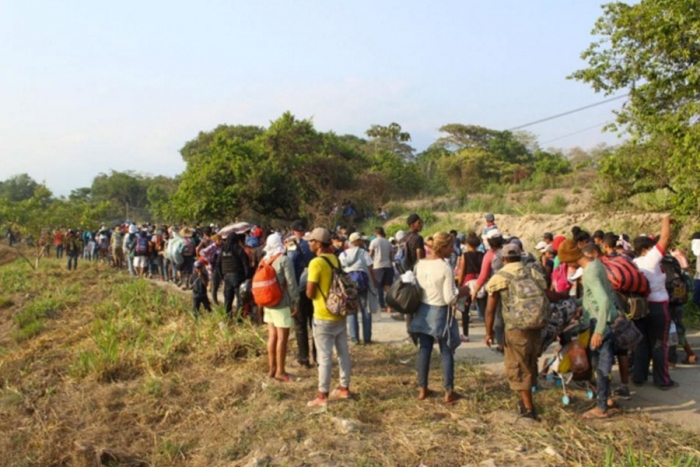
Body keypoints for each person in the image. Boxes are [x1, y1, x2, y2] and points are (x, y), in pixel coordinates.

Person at [485, 243, 548, 420]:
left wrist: (488, 332)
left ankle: (528, 408)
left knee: (518, 366)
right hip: (536, 324)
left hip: (515, 328)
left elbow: (490, 310)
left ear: (504, 259)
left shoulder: (500, 277)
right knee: (530, 359)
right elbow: (546, 292)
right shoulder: (533, 272)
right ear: (520, 256)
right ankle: (528, 396)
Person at [558, 239, 618, 418]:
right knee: (597, 364)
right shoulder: (595, 264)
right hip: (601, 319)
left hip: (602, 323)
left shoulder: (590, 273)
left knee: (601, 367)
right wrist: (573, 304)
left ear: (570, 259)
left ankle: (601, 408)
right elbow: (593, 297)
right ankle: (605, 399)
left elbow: (604, 301)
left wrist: (599, 331)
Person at [410, 232, 468, 404]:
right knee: (446, 351)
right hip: (441, 312)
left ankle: (422, 389)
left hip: (422, 310)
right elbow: (449, 298)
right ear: (443, 248)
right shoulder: (445, 267)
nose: (453, 250)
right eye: (450, 247)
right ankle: (449, 391)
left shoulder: (419, 264)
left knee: (424, 349)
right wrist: (463, 291)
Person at [305, 227, 352, 407]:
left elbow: (310, 293)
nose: (309, 243)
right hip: (339, 313)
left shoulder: (316, 263)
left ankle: (322, 395)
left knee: (324, 357)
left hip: (323, 315)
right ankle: (344, 388)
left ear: (318, 244)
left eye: (311, 241)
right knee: (343, 353)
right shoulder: (334, 259)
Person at [632, 216, 677, 389]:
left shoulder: (634, 263)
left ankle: (639, 377)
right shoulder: (650, 260)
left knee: (642, 343)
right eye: (651, 247)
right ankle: (662, 380)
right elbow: (665, 239)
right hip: (658, 306)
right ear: (644, 250)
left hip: (640, 307)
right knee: (660, 344)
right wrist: (666, 221)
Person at [261, 233, 299, 382]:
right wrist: (296, 301)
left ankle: (272, 369)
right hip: (282, 304)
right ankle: (281, 372)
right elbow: (291, 283)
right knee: (282, 339)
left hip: (268, 304)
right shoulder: (284, 260)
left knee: (272, 337)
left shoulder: (265, 259)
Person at [287, 220, 317, 368]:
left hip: (300, 289)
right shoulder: (312, 243)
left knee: (300, 325)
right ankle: (318, 357)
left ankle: (304, 358)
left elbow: (291, 267)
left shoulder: (292, 246)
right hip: (314, 288)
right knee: (315, 324)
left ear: (293, 231)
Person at [472, 229, 506, 352]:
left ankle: (501, 344)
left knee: (496, 315)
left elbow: (483, 275)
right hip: (512, 287)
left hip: (496, 289)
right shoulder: (508, 251)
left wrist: (475, 290)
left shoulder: (490, 255)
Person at [340, 232, 375, 344]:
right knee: (365, 310)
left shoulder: (343, 254)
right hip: (362, 284)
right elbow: (370, 268)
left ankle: (354, 338)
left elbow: (340, 271)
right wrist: (372, 282)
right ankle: (367, 338)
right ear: (356, 241)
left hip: (349, 285)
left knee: (351, 310)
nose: (362, 242)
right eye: (360, 240)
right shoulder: (364, 252)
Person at [455, 232, 485, 341]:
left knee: (465, 309)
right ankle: (489, 333)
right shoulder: (482, 254)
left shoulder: (465, 255)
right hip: (480, 282)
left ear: (468, 244)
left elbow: (462, 271)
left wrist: (459, 284)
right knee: (483, 308)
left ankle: (466, 335)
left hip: (468, 282)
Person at [220, 233, 252, 320]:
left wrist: (222, 277)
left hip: (227, 277)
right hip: (238, 277)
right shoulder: (239, 249)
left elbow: (218, 265)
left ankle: (227, 318)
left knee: (228, 299)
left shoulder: (223, 250)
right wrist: (247, 276)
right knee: (240, 299)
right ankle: (239, 319)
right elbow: (245, 263)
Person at [369, 227, 394, 310]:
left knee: (379, 286)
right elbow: (391, 255)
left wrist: (369, 263)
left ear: (376, 233)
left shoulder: (374, 242)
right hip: (388, 266)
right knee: (387, 286)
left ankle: (381, 304)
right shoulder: (388, 242)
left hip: (378, 266)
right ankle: (390, 304)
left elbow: (371, 254)